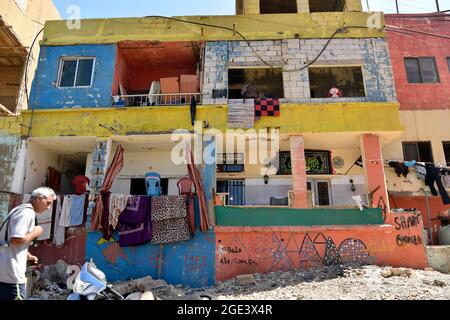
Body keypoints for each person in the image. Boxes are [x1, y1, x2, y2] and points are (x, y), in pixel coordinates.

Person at [0, 187, 56, 300]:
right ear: (39, 199)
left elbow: (10, 240)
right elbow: (15, 240)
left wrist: (28, 256)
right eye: (48, 203)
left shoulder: (18, 209)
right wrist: (35, 233)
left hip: (4, 271)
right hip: (12, 275)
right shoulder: (27, 213)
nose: (48, 207)